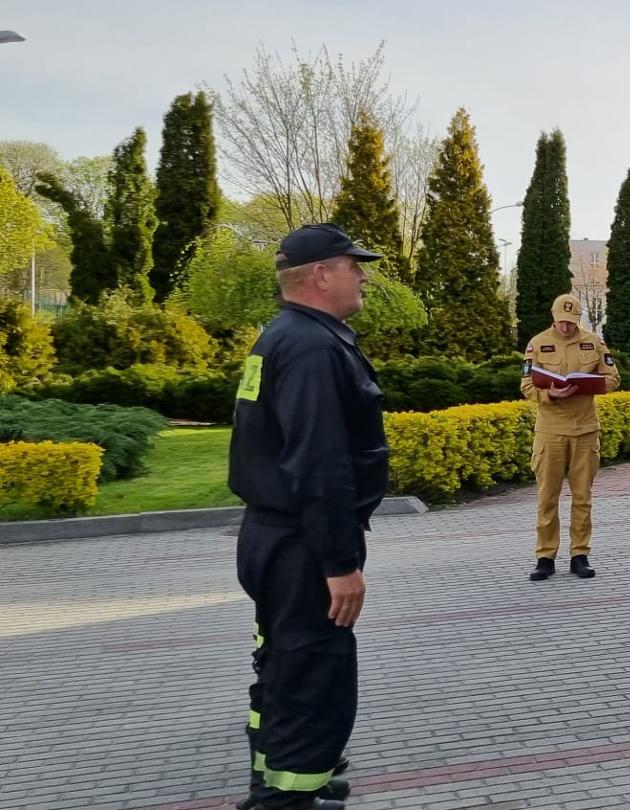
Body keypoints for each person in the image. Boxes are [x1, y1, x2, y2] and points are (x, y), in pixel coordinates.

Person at [230, 223, 389, 810]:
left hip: (273, 536)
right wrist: (339, 563)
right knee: (313, 676)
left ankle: (284, 776)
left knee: (281, 662)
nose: (364, 273)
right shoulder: (313, 347)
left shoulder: (283, 336)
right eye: (354, 265)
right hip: (302, 545)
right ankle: (287, 796)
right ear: (321, 275)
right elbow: (319, 464)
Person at [521, 293, 622, 581]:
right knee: (547, 497)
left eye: (572, 322)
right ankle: (545, 556)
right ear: (553, 316)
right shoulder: (537, 344)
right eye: (562, 322)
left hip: (585, 429)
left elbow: (613, 377)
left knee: (582, 497)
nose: (567, 327)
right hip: (550, 431)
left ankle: (580, 554)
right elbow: (526, 385)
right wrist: (548, 393)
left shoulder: (594, 342)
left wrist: (589, 385)